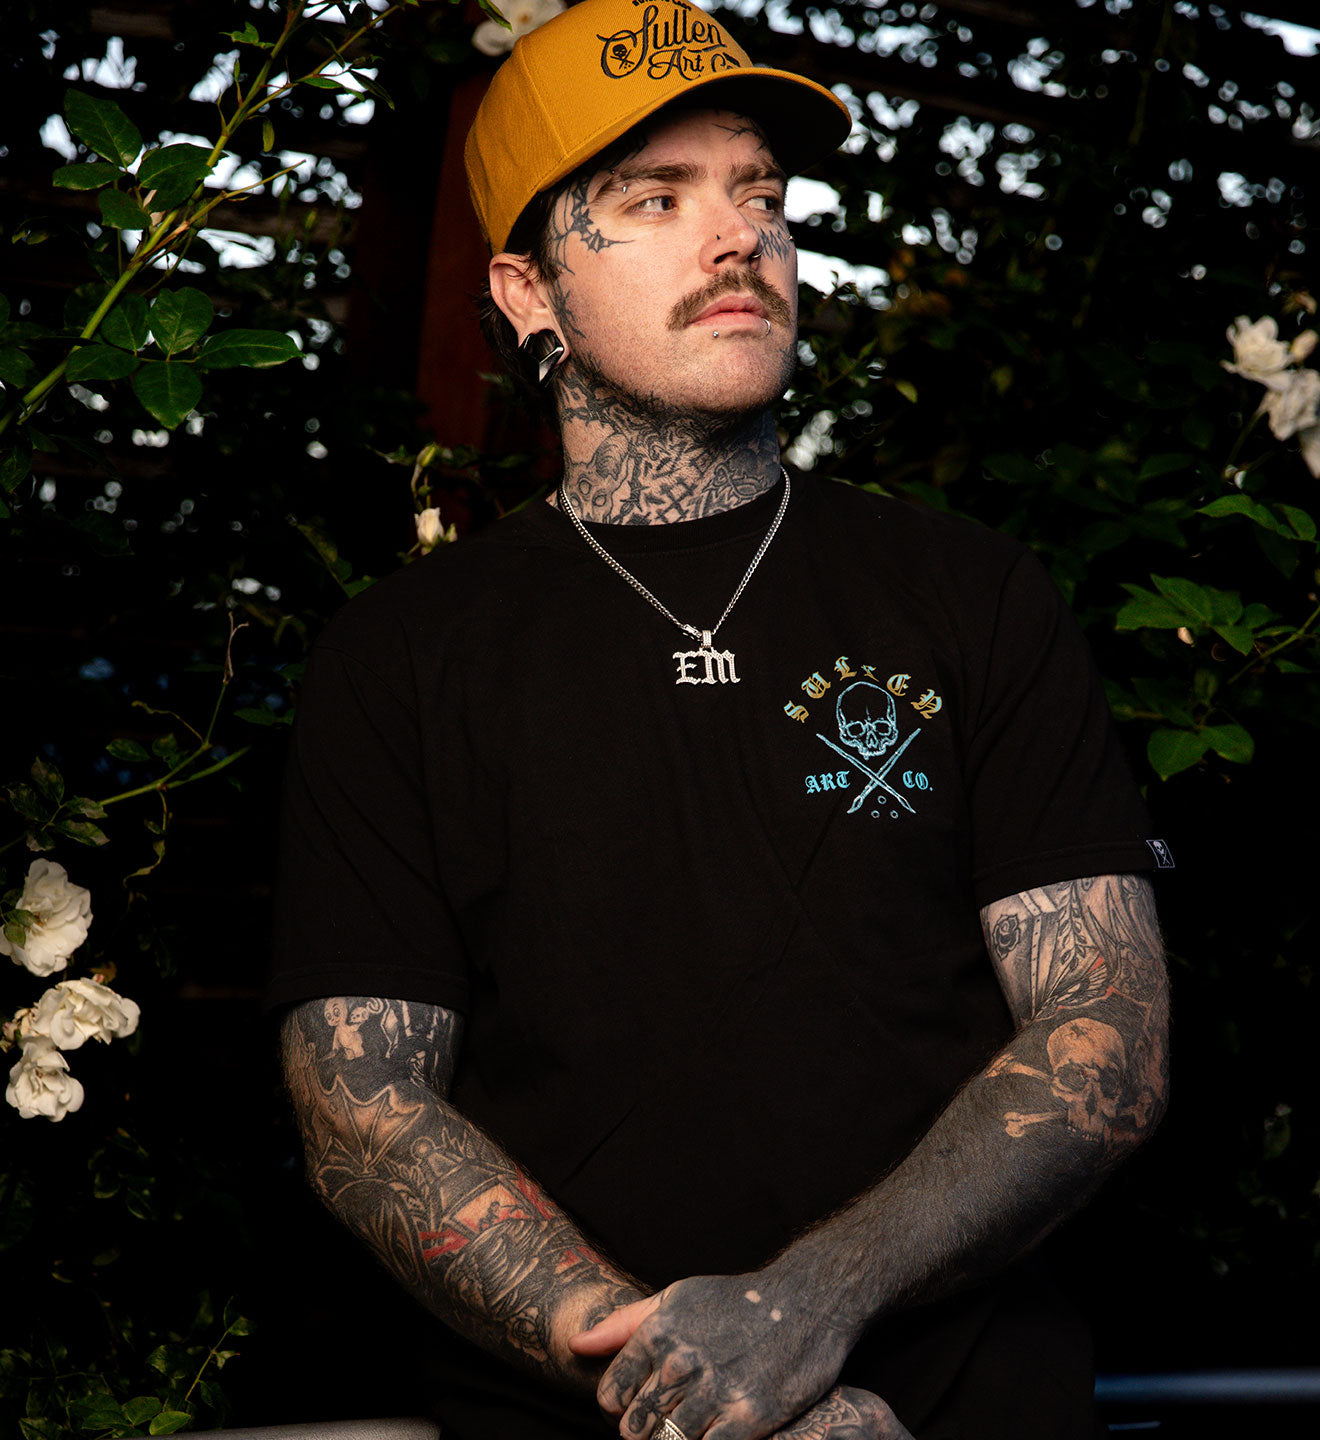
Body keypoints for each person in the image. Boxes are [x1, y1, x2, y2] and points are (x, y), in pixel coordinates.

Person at [268, 2, 1173, 1437]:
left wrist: (811, 1305)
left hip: (963, 1404)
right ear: (528, 295)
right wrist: (686, 1389)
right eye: (657, 197)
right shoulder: (402, 661)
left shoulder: (970, 594)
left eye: (760, 193)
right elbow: (361, 1102)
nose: (737, 236)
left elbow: (1104, 1024)